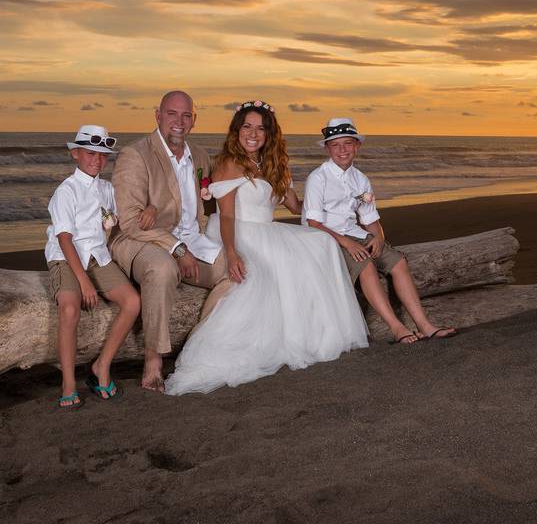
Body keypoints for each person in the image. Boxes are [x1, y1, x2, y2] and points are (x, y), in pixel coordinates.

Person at [164, 101, 369, 395]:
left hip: (268, 230)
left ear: (269, 134)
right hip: (236, 232)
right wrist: (232, 254)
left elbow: (298, 207)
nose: (253, 133)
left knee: (321, 242)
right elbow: (228, 215)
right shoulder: (229, 163)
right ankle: (214, 344)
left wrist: (328, 191)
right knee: (259, 278)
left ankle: (316, 335)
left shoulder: (273, 165)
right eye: (247, 126)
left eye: (260, 128)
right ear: (237, 130)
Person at [109, 91, 231, 393]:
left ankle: (197, 346)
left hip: (191, 240)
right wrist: (176, 248)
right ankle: (153, 359)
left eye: (186, 115)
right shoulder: (135, 155)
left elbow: (217, 196)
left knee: (236, 271)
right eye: (172, 113)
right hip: (140, 242)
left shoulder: (200, 157)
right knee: (162, 268)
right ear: (158, 115)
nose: (179, 121)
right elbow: (130, 222)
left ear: (194, 120)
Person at [302, 118, 457, 344]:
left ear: (357, 145)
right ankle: (396, 328)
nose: (342, 150)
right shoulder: (318, 178)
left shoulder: (361, 179)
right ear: (327, 148)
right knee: (366, 265)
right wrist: (348, 243)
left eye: (347, 143)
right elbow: (314, 223)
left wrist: (378, 238)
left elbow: (370, 218)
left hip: (354, 233)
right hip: (324, 238)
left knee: (399, 262)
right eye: (335, 145)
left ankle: (425, 326)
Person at [46, 125, 142, 409]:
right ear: (76, 154)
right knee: (69, 307)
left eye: (103, 156)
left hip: (97, 256)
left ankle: (102, 365)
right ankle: (68, 382)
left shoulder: (107, 189)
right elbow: (64, 239)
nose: (97, 160)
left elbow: (116, 220)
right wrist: (84, 281)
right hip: (66, 255)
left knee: (133, 302)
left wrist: (147, 212)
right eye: (90, 153)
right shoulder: (66, 191)